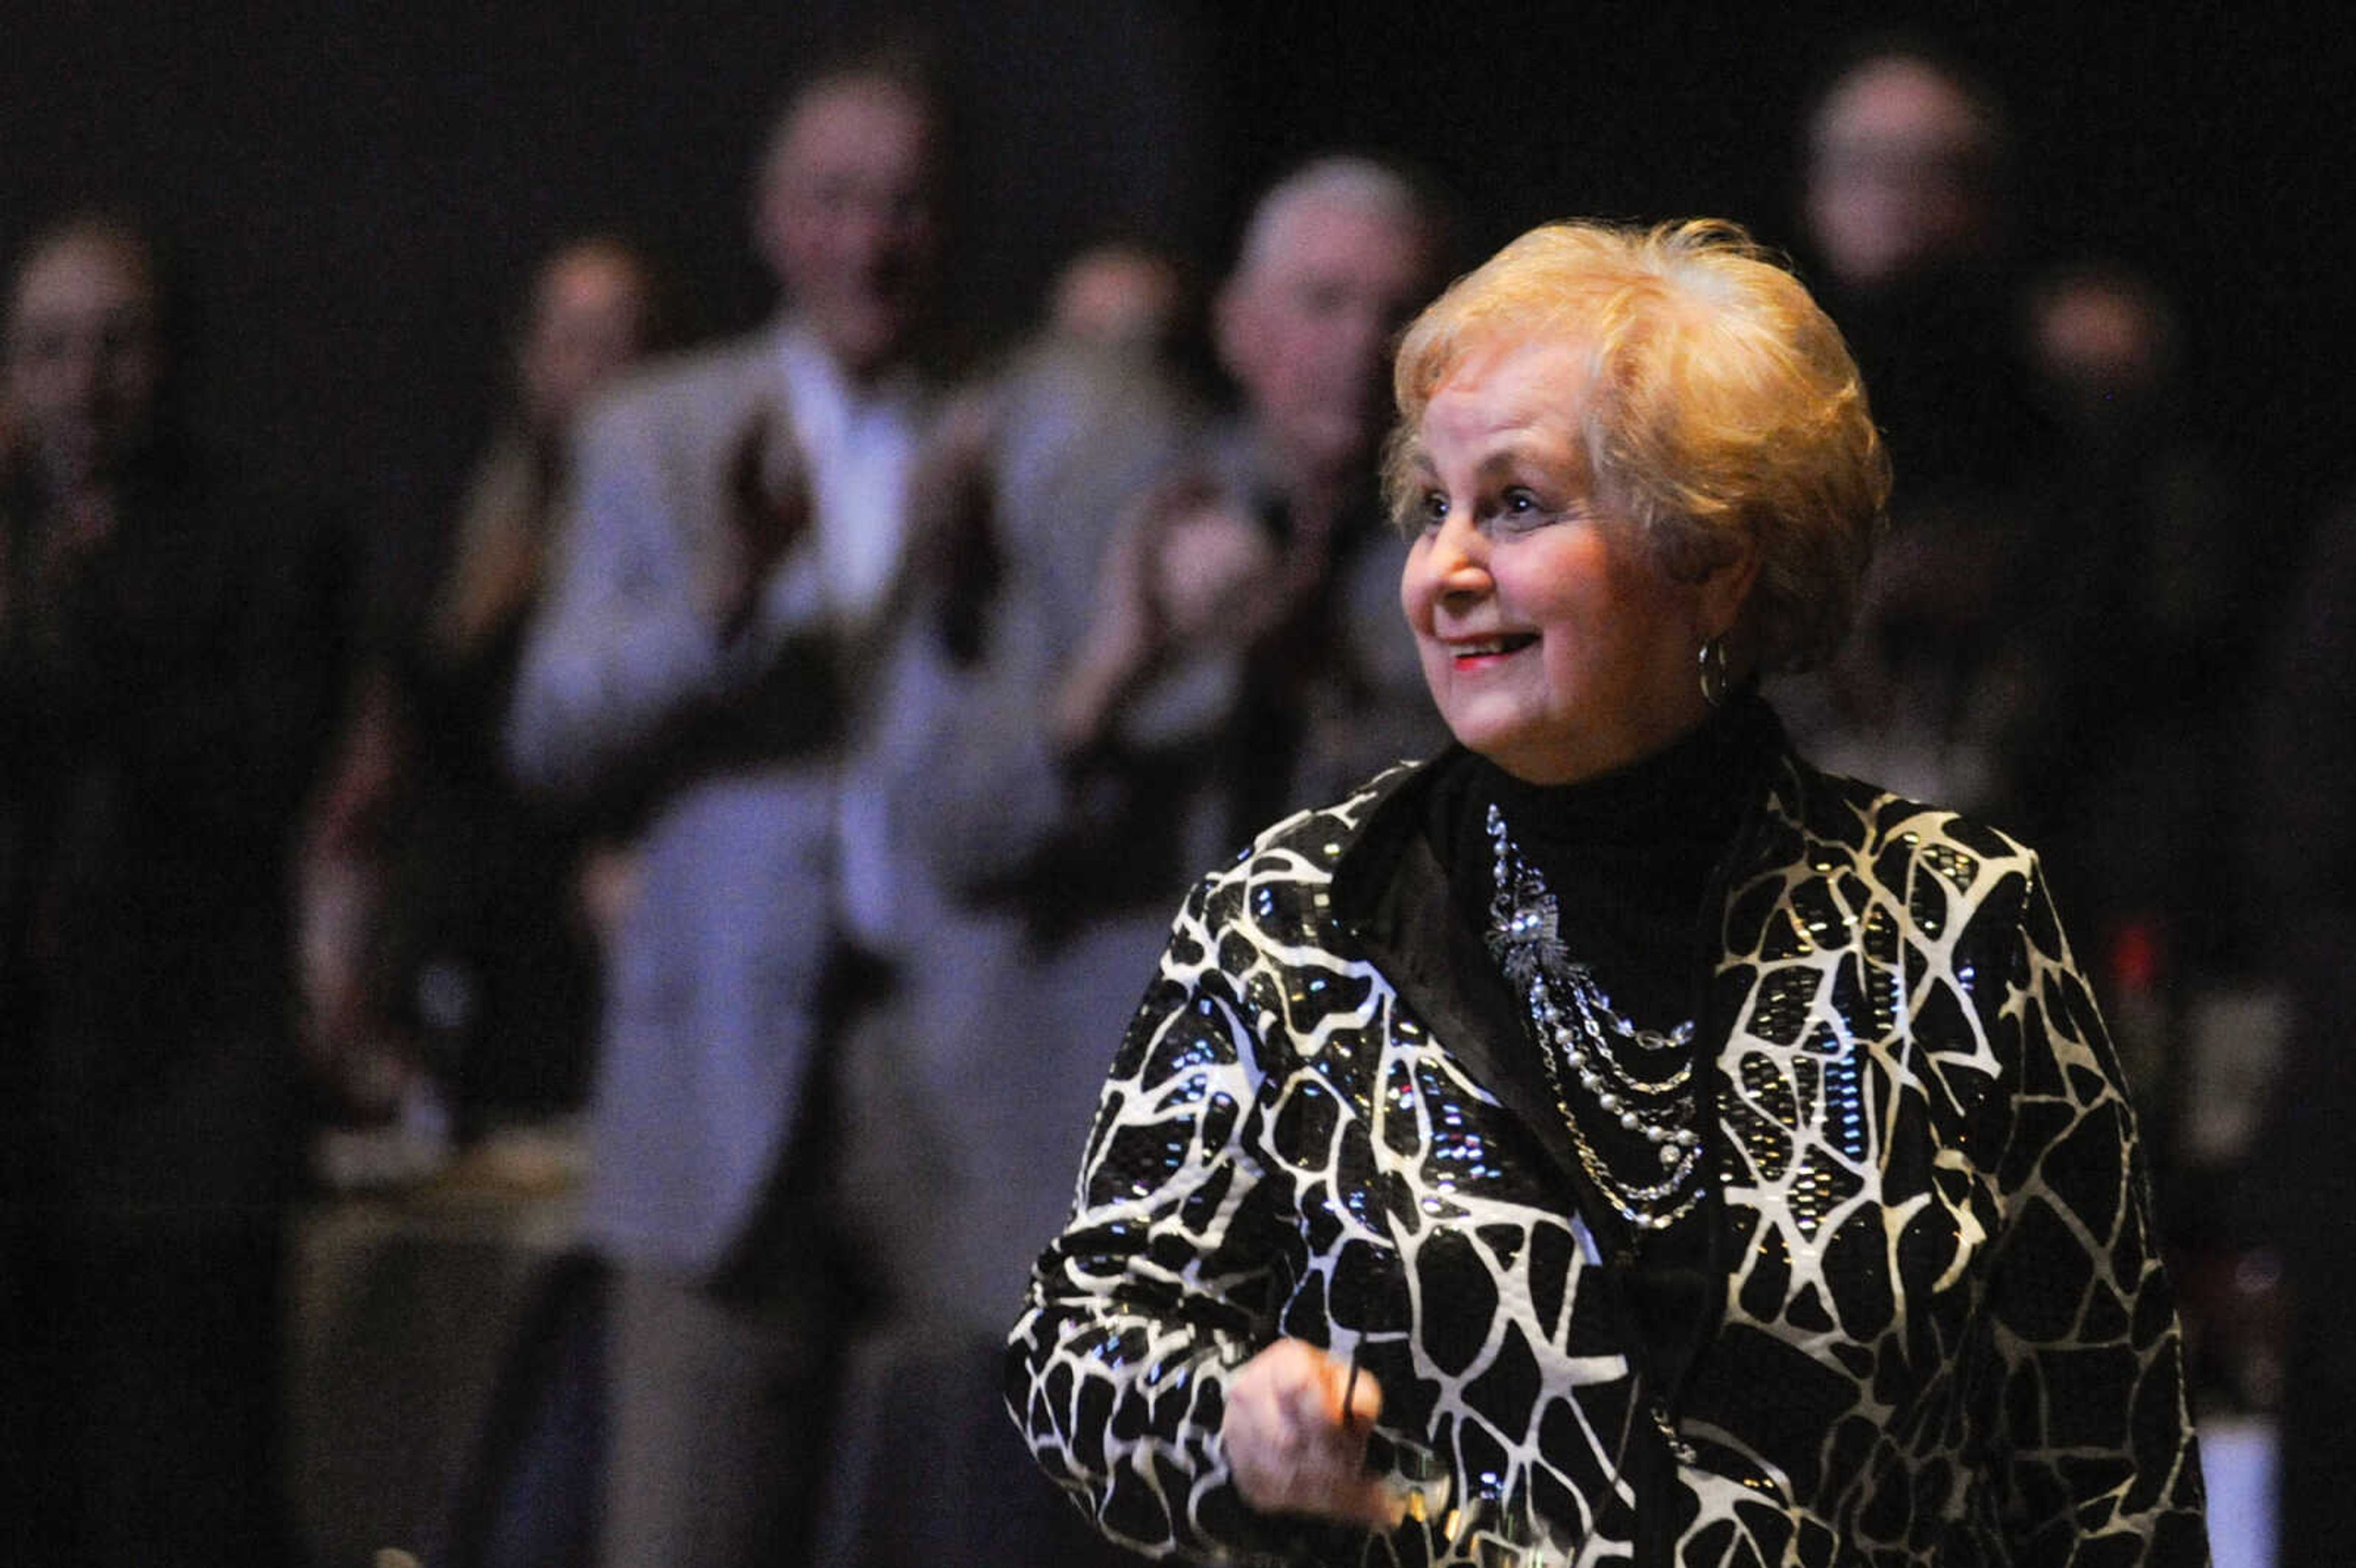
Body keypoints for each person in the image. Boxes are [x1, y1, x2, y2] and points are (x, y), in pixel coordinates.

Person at [1007, 219, 2208, 1566]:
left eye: (1516, 506)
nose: (1444, 570)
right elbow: (1081, 1353)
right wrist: (1230, 1422)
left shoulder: (1960, 924)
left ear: (1713, 559)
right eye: (1432, 510)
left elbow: (2111, 1479)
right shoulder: (1298, 915)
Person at [504, 55, 945, 1568]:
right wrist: (722, 603)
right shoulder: (658, 431)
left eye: (903, 203)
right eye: (834, 200)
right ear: (773, 222)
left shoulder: (1010, 429)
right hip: (718, 1089)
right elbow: (550, 731)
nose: (869, 240)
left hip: (950, 1083)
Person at [0, 213, 350, 1567]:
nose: (80, 386)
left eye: (115, 345)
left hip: (179, 1108)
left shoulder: (266, 539)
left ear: (175, 357)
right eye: (44, 351)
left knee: (182, 1490)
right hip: (25, 1102)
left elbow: (258, 770)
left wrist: (67, 611)